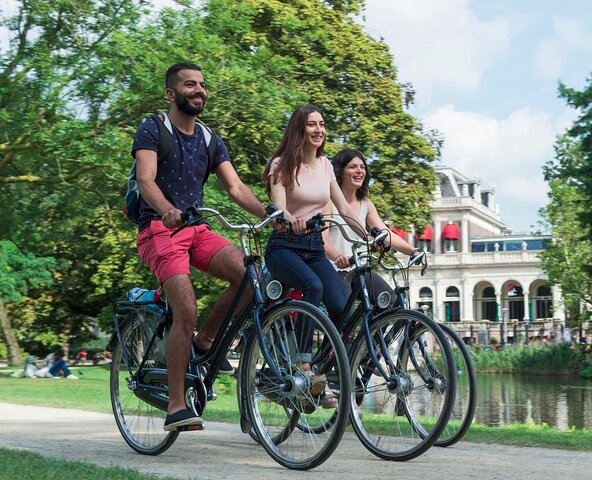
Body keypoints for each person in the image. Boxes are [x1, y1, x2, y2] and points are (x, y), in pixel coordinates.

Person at [132, 61, 268, 431]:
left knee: (250, 274)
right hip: (159, 229)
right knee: (186, 308)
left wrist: (274, 213)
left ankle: (205, 342)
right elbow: (145, 180)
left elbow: (236, 189)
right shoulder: (152, 129)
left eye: (202, 85)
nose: (199, 90)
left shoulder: (209, 139)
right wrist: (167, 210)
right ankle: (177, 405)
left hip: (197, 230)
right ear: (171, 93)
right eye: (190, 84)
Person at [262, 105, 365, 404]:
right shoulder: (282, 165)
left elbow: (345, 209)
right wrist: (287, 217)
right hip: (284, 247)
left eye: (322, 124)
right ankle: (302, 365)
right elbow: (278, 204)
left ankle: (327, 372)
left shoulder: (324, 166)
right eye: (311, 124)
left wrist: (370, 236)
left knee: (342, 306)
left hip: (314, 249)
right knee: (313, 287)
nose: (319, 129)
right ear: (299, 129)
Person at [323, 149, 420, 304]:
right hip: (335, 271)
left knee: (393, 304)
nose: (359, 171)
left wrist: (413, 251)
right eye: (353, 167)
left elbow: (385, 232)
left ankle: (374, 329)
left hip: (360, 270)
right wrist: (337, 256)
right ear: (339, 172)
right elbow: (322, 241)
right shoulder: (329, 202)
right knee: (345, 317)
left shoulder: (365, 203)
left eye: (362, 167)